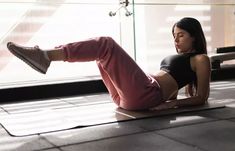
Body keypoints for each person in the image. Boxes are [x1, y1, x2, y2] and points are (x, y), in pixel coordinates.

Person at [7, 17, 211, 111]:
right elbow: (173, 86)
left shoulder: (201, 59)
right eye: (174, 36)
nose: (175, 40)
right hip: (128, 97)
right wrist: (168, 99)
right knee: (100, 54)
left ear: (195, 36)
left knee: (106, 44)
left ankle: (45, 56)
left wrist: (172, 104)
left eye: (181, 35)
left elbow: (201, 97)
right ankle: (45, 55)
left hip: (147, 94)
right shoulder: (177, 58)